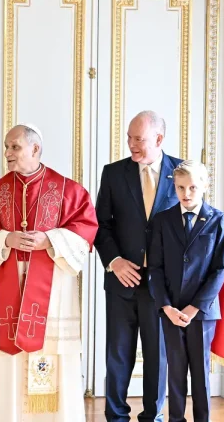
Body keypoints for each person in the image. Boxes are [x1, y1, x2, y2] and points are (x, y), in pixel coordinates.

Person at [0, 124, 98, 422]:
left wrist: (50, 240)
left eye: (14, 147)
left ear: (35, 148)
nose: (7, 153)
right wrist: (6, 239)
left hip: (53, 290)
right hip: (9, 283)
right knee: (8, 358)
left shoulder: (68, 190)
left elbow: (86, 231)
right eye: (6, 147)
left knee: (51, 351)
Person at [94, 111, 181, 421]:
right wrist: (114, 261)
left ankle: (152, 417)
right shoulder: (113, 173)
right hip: (121, 282)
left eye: (139, 139)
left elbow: (195, 222)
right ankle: (115, 417)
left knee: (158, 357)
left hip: (163, 286)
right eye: (129, 137)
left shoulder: (183, 173)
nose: (131, 144)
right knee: (118, 355)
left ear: (158, 139)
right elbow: (100, 225)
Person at [148, 160, 224, 422]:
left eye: (193, 187)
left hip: (202, 312)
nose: (186, 193)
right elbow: (155, 268)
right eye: (181, 187)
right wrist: (166, 307)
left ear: (204, 186)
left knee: (200, 372)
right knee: (175, 370)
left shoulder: (217, 220)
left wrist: (195, 308)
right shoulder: (163, 220)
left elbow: (219, 270)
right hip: (171, 310)